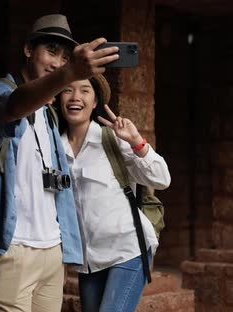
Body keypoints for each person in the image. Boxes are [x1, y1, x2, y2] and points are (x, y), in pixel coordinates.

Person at [0, 14, 120, 311]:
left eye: (64, 59)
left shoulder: (49, 116)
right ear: (28, 50)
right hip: (12, 245)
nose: (56, 63)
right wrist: (69, 73)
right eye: (51, 51)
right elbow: (12, 107)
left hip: (51, 250)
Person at [55, 74, 171, 312]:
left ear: (95, 101)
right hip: (89, 261)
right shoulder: (54, 147)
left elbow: (162, 178)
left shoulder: (111, 140)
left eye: (85, 90)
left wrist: (136, 140)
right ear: (58, 98)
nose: (75, 97)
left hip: (127, 249)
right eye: (67, 90)